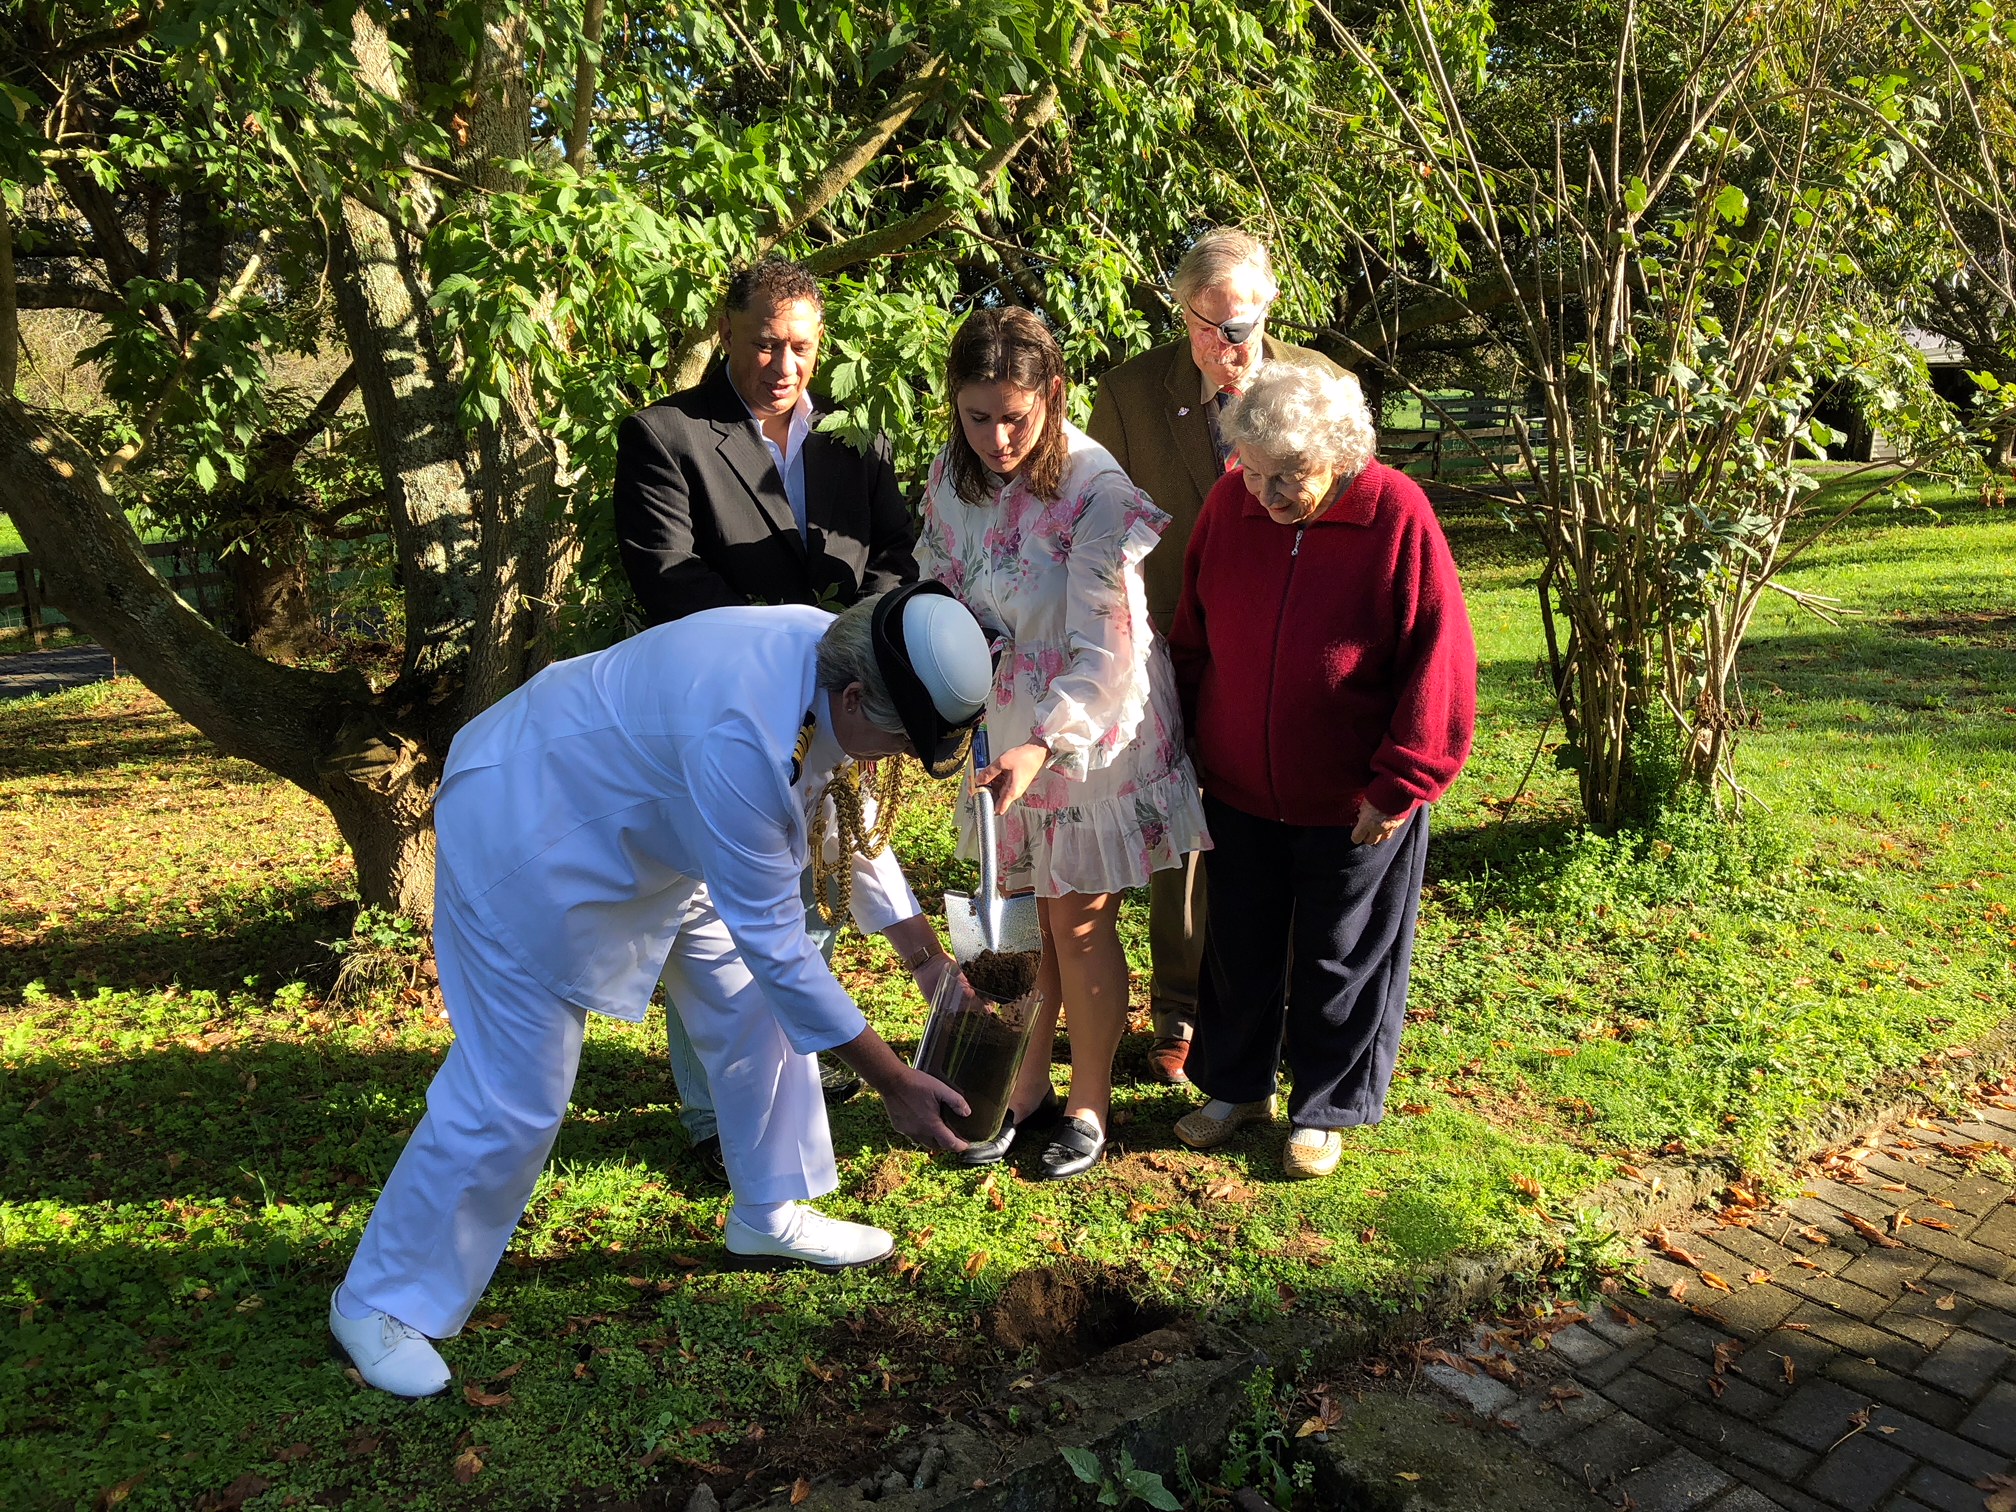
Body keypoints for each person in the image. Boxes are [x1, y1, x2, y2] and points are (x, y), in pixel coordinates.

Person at [329, 585, 992, 1398]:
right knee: (517, 1092)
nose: (890, 758)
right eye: (897, 739)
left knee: (752, 1009)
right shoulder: (743, 732)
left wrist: (927, 962)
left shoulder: (841, 650)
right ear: (857, 699)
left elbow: (838, 809)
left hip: (656, 825)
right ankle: (378, 1301)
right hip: (530, 829)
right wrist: (891, 1080)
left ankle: (768, 1210)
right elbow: (779, 944)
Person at [614, 256, 919, 1175]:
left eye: (800, 347)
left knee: (816, 889)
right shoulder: (667, 434)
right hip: (728, 713)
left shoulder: (855, 439)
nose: (784, 365)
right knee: (716, 911)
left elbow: (900, 555)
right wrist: (795, 650)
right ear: (724, 330)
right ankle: (715, 1118)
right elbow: (668, 579)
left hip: (845, 704)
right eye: (763, 344)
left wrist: (861, 646)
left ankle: (789, 1067)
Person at [918, 307, 1210, 1180]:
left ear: (1053, 393)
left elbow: (1111, 649)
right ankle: (1024, 1090)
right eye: (977, 417)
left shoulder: (1098, 489)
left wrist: (1045, 745)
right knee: (1028, 926)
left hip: (1088, 728)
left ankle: (1087, 1108)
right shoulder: (951, 473)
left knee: (1077, 924)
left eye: (1015, 416)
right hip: (1000, 723)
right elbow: (937, 578)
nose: (998, 437)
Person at [1166, 363, 1476, 1178]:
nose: (1267, 493)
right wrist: (1186, 744)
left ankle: (1324, 1107)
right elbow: (1192, 634)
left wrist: (1402, 783)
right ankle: (1233, 1087)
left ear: (1339, 454)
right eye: (1255, 470)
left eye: (1290, 476)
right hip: (1237, 785)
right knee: (1238, 945)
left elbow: (1439, 658)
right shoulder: (1230, 504)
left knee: (1343, 955)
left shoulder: (1395, 513)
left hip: (1352, 798)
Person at [1086, 228, 1345, 1086]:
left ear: (1271, 306)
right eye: (1207, 326)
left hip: (1294, 646)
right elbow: (1097, 524)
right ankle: (1181, 1010)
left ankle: (1287, 1013)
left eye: (1242, 325)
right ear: (1181, 310)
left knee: (1294, 830)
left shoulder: (1324, 386)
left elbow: (1353, 511)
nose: (1226, 346)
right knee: (1181, 827)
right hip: (1169, 640)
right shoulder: (1128, 395)